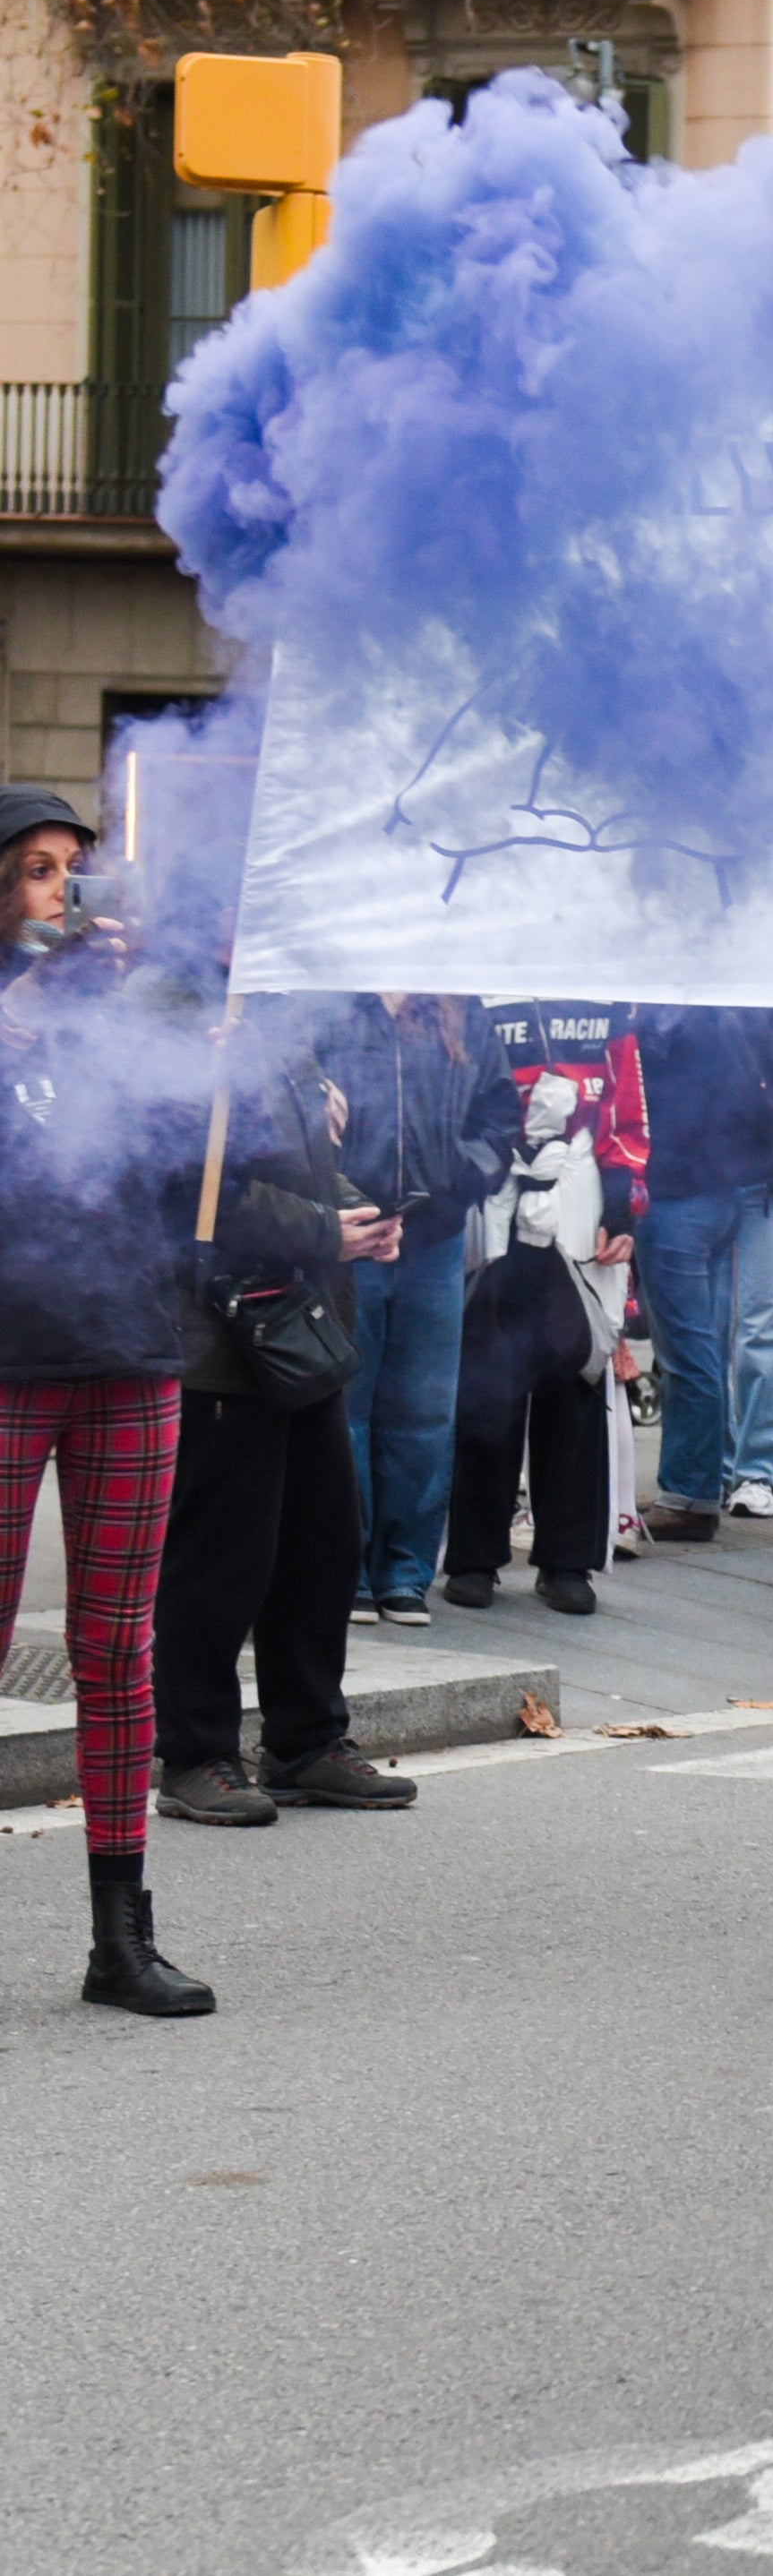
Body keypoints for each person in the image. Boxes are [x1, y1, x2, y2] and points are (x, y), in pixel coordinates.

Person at [0, 786, 217, 2007]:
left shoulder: (126, 1020)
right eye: (38, 869)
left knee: (119, 1650)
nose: (66, 893)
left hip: (130, 1354)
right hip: (8, 1361)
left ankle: (120, 1941)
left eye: (77, 869)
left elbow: (194, 1172)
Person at [156, 992, 421, 1826]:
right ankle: (194, 1751)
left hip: (300, 1324)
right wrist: (320, 1227)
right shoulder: (168, 1005)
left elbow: (307, 1163)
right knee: (220, 1556)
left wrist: (356, 1214)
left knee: (319, 1544)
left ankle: (306, 1741)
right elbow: (197, 1190)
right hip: (218, 1333)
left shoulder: (270, 1007)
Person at [299, 994, 496, 1627]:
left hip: (434, 1236)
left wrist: (457, 1180)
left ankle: (405, 1572)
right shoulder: (332, 1003)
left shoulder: (462, 1006)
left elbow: (498, 1117)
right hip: (350, 1233)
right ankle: (345, 1567)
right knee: (346, 1406)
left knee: (425, 1411)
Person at [446, 1003, 645, 1619]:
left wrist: (621, 1209)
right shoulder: (477, 994)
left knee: (578, 1371)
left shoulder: (603, 998)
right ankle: (474, 1555)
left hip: (578, 1192)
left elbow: (626, 1110)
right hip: (497, 1188)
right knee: (486, 1377)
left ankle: (567, 1560)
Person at [631, 1005, 773, 1537]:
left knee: (691, 1350)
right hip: (716, 1188)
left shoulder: (672, 1017)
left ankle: (693, 1492)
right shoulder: (727, 1015)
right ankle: (705, 1482)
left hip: (680, 1188)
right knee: (704, 1344)